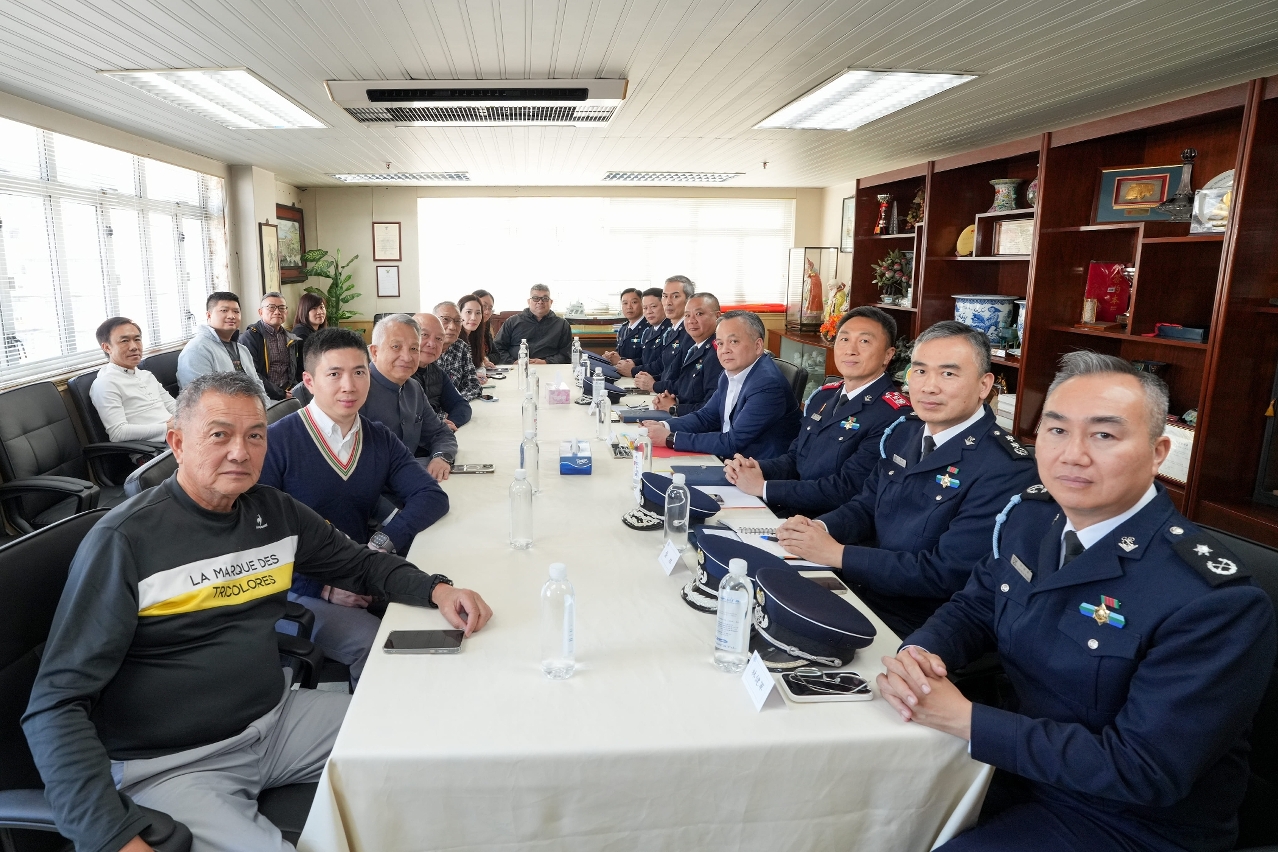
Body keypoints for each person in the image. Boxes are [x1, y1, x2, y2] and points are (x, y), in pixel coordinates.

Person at [21, 371, 491, 852]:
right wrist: (109, 835)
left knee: (438, 742)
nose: (240, 453)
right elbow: (56, 703)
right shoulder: (124, 542)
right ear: (177, 442)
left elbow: (360, 565)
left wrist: (436, 590)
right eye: (219, 435)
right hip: (176, 762)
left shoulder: (274, 512)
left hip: (278, 718)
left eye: (255, 436)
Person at [879, 351, 1276, 852]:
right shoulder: (1030, 518)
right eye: (1057, 430)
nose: (1073, 454)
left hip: (1124, 821)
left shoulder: (1212, 600)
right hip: (1012, 765)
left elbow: (1144, 769)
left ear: (1158, 453)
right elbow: (976, 606)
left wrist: (965, 719)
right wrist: (920, 654)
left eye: (1104, 435)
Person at [775, 321, 1038, 637]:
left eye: (948, 374)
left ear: (984, 386)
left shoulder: (1005, 468)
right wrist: (819, 528)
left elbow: (943, 574)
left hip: (916, 623)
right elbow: (865, 506)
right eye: (921, 371)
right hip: (858, 588)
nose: (929, 386)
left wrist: (837, 554)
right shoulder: (904, 430)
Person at [259, 328, 450, 684]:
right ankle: (366, 719)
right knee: (377, 644)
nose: (349, 386)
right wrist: (324, 589)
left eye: (359, 372)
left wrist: (381, 544)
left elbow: (431, 496)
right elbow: (255, 542)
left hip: (362, 571)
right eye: (334, 374)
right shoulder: (276, 443)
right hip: (295, 589)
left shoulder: (377, 437)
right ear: (309, 382)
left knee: (436, 616)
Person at [726, 306, 910, 515]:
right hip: (792, 507)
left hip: (826, 522)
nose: (851, 350)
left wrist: (764, 488)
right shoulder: (823, 397)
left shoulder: (893, 415)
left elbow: (846, 488)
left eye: (864, 341)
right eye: (844, 339)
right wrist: (756, 468)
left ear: (888, 355)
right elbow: (795, 459)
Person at [642, 311, 800, 459]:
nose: (724, 350)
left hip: (755, 468)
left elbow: (733, 442)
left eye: (734, 342)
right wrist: (664, 426)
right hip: (729, 458)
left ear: (758, 346)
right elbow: (706, 417)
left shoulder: (767, 384)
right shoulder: (729, 373)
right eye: (720, 343)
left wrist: (670, 438)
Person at [362, 314, 458, 481]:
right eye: (396, 347)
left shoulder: (413, 388)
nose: (407, 357)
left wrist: (441, 457)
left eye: (414, 349)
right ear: (375, 352)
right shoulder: (356, 390)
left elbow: (440, 433)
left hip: (411, 480)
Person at [90, 316, 176, 443]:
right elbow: (118, 433)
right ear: (107, 347)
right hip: (155, 448)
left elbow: (175, 407)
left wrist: (182, 420)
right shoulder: (105, 383)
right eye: (124, 341)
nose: (134, 347)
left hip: (178, 435)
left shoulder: (146, 375)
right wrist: (167, 427)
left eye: (137, 339)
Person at [641, 292, 724, 416]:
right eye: (687, 315)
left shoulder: (718, 354)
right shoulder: (696, 348)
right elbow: (686, 387)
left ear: (717, 316)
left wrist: (674, 408)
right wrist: (669, 400)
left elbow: (712, 409)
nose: (691, 320)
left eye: (699, 314)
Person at [177, 291, 265, 392]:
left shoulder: (242, 349)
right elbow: (199, 396)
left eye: (236, 311)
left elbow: (258, 385)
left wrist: (264, 402)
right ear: (209, 315)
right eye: (224, 310)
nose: (231, 316)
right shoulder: (196, 350)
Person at [411, 312, 472, 429]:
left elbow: (461, 405)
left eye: (439, 338)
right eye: (424, 335)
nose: (432, 344)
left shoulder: (436, 371)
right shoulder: (399, 374)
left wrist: (448, 424)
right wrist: (437, 427)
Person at [628, 275, 694, 381]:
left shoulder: (691, 331)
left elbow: (683, 379)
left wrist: (654, 385)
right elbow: (666, 369)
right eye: (665, 296)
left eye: (675, 296)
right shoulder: (672, 331)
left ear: (688, 300)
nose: (668, 302)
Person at [242, 292, 302, 401]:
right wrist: (281, 394)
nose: (277, 312)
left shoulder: (291, 337)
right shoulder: (251, 337)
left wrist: (295, 390)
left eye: (282, 308)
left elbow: (294, 370)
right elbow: (252, 374)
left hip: (290, 394)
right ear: (260, 312)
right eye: (271, 307)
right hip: (263, 397)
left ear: (286, 312)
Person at [491, 284, 572, 364]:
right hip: (516, 367)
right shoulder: (512, 322)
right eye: (535, 298)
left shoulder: (562, 325)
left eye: (545, 298)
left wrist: (546, 362)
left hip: (549, 367)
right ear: (529, 301)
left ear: (551, 302)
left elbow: (567, 354)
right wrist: (512, 362)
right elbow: (497, 348)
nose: (540, 302)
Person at [434, 301, 483, 401]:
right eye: (445, 319)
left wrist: (457, 402)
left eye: (457, 321)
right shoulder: (424, 349)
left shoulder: (461, 346)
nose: (452, 327)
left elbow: (473, 384)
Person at [615, 287, 668, 378]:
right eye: (645, 308)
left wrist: (633, 370)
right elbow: (645, 360)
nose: (649, 312)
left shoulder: (669, 331)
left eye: (653, 306)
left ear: (665, 306)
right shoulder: (648, 331)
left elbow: (662, 365)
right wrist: (630, 363)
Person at [603, 287, 648, 365]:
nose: (629, 307)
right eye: (625, 303)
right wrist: (611, 357)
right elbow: (619, 353)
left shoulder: (649, 328)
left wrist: (621, 360)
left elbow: (648, 360)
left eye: (634, 302)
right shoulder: (623, 329)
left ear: (642, 304)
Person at [458, 294, 489, 375]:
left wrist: (483, 361)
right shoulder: (455, 339)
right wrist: (473, 376)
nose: (474, 318)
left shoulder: (474, 336)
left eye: (478, 313)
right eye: (468, 312)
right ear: (459, 314)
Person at [471, 288, 497, 369]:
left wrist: (486, 359)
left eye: (490, 308)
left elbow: (497, 355)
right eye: (484, 306)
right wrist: (480, 360)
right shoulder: (466, 329)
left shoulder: (486, 329)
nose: (487, 312)